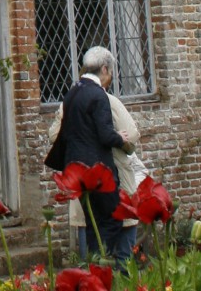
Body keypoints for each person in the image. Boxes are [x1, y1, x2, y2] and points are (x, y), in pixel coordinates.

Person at [44, 44, 130, 266]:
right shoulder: (98, 95)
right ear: (104, 69)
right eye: (110, 73)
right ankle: (105, 263)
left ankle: (93, 264)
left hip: (76, 171)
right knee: (112, 219)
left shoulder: (72, 93)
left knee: (92, 222)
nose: (110, 78)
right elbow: (104, 135)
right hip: (99, 172)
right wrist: (120, 137)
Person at [45, 83, 144, 259]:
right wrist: (117, 138)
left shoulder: (69, 102)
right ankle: (118, 275)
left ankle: (96, 271)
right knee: (118, 227)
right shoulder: (109, 100)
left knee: (91, 231)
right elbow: (131, 135)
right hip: (110, 176)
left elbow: (54, 135)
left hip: (84, 178)